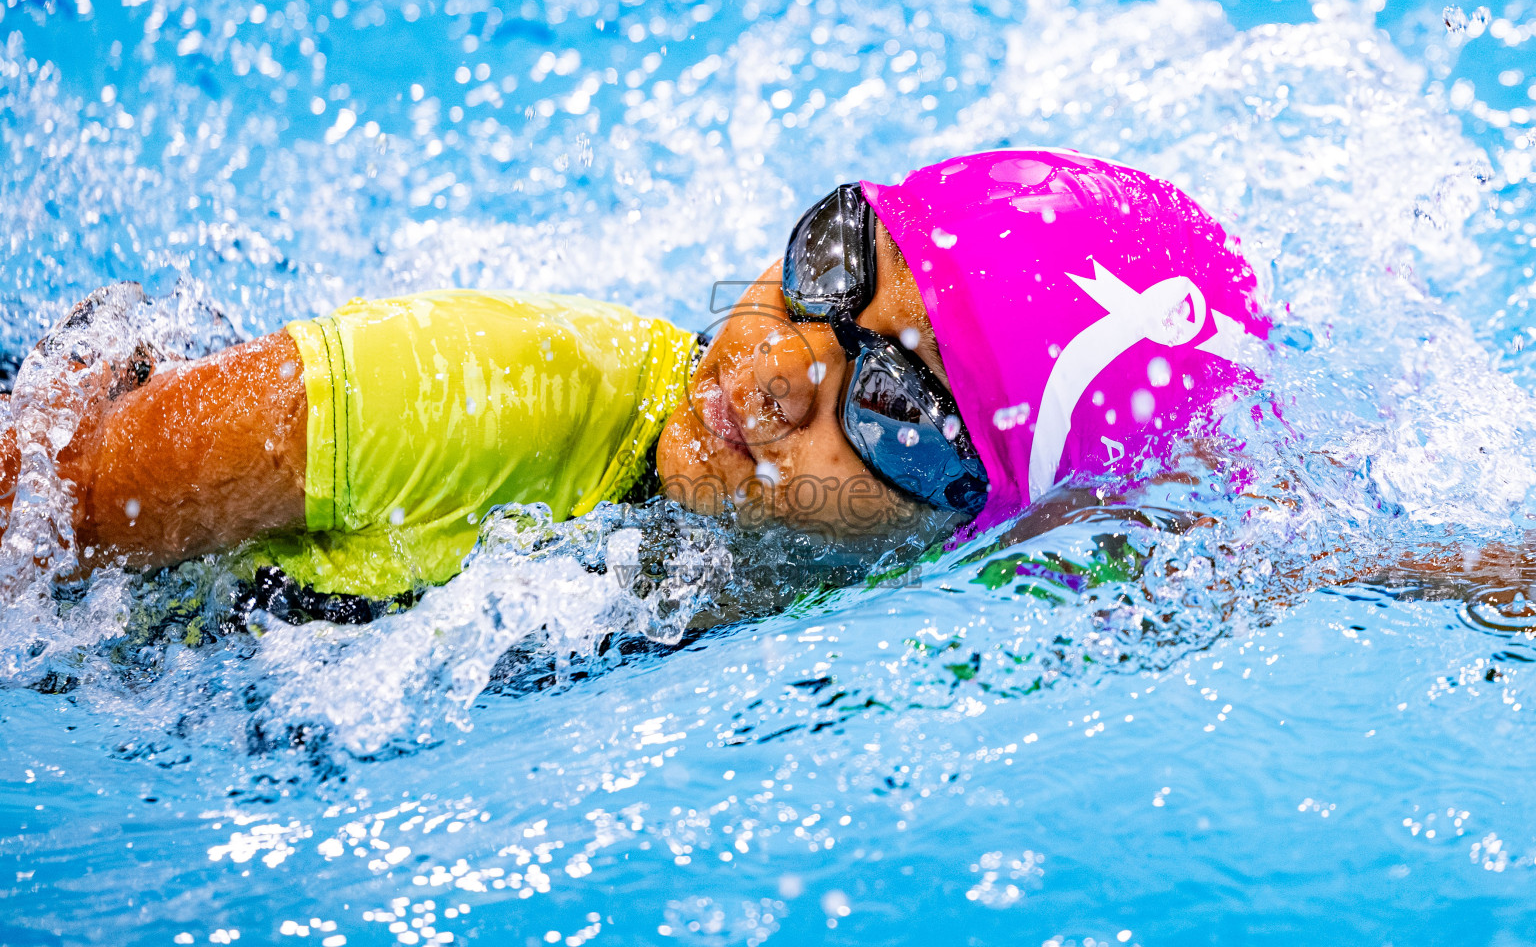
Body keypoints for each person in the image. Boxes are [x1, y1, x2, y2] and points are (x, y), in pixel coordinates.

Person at [0, 148, 1272, 603]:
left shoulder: (970, 574)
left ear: (988, 517)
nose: (772, 368)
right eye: (830, 264)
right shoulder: (468, 388)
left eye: (890, 405)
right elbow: (44, 508)